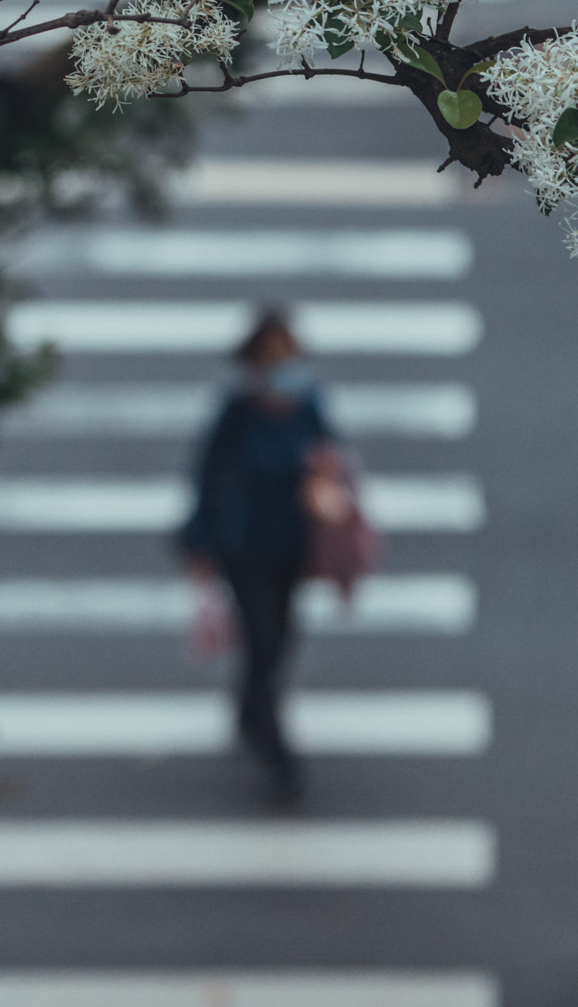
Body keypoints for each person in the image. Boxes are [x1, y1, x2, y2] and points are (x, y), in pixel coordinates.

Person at [179, 309, 338, 802]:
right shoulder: (238, 412)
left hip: (291, 545)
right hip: (243, 549)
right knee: (264, 638)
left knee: (278, 638)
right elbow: (209, 478)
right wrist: (198, 544)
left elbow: (330, 457)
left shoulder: (308, 405)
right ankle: (275, 749)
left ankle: (251, 710)